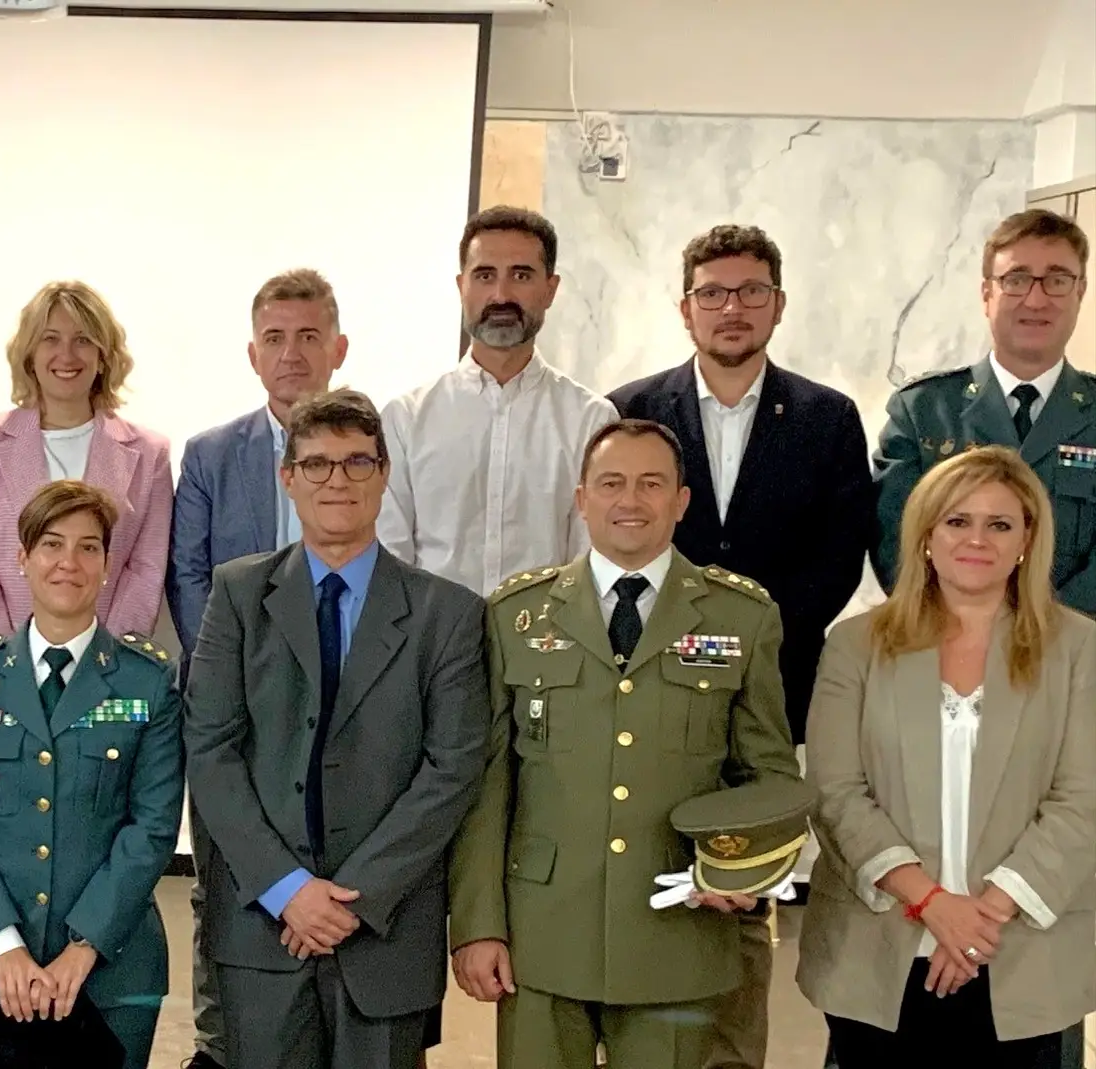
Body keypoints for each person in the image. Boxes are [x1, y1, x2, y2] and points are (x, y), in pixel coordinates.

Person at [448, 418, 801, 1069]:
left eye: (650, 484)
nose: (629, 501)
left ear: (681, 500)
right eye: (611, 483)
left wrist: (743, 870)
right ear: (582, 499)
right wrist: (478, 925)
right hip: (544, 933)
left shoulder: (741, 617)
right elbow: (489, 784)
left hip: (679, 935)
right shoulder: (515, 616)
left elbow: (769, 775)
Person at [608, 224, 874, 1069]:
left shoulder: (828, 417)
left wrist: (737, 645)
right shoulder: (631, 407)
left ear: (779, 304)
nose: (733, 307)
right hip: (644, 687)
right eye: (714, 292)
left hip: (765, 688)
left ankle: (725, 1051)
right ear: (685, 307)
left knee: (739, 876)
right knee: (640, 854)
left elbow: (837, 555)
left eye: (751, 291)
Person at [186, 387, 490, 1069]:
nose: (338, 480)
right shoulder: (237, 595)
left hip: (385, 931)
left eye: (357, 462)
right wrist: (289, 889)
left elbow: (452, 769)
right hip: (263, 930)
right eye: (317, 463)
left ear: (384, 474)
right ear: (287, 477)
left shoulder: (449, 614)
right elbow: (210, 749)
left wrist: (355, 897)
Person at [799, 446, 1096, 1067]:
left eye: (999, 524)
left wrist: (980, 920)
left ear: (1027, 540)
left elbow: (1083, 798)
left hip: (1021, 951)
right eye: (957, 521)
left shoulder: (1079, 649)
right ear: (926, 535)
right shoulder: (856, 645)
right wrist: (934, 906)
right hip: (877, 950)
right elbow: (834, 791)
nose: (976, 540)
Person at [0, 480, 185, 1069]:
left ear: (106, 564)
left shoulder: (146, 682)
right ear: (22, 559)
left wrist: (82, 948)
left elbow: (151, 828)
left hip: (111, 970)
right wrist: (4, 946)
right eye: (51, 544)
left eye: (88, 547)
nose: (69, 562)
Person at [168, 267, 347, 1069]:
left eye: (309, 336)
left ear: (338, 347)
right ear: (252, 353)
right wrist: (241, 680)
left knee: (333, 872)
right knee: (225, 878)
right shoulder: (211, 455)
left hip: (345, 704)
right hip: (238, 709)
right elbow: (189, 577)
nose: (292, 354)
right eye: (275, 338)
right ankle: (221, 1038)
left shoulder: (368, 447)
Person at [378, 206, 615, 598]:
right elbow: (390, 558)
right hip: (433, 648)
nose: (501, 295)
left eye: (521, 276)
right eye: (485, 275)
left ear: (550, 290)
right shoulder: (405, 419)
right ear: (461, 287)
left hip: (546, 646)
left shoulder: (591, 421)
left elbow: (591, 561)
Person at [874, 209, 1093, 615]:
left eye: (1058, 280)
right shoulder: (923, 409)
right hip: (943, 645)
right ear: (987, 294)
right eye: (1017, 279)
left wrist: (1047, 634)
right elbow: (895, 544)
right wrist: (964, 629)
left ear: (1080, 292)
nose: (1036, 298)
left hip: (1076, 655)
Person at [0, 280, 172, 641]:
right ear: (29, 354)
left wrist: (102, 666)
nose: (66, 355)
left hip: (109, 674)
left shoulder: (151, 453)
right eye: (50, 339)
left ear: (103, 357)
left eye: (83, 340)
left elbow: (145, 571)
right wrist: (7, 666)